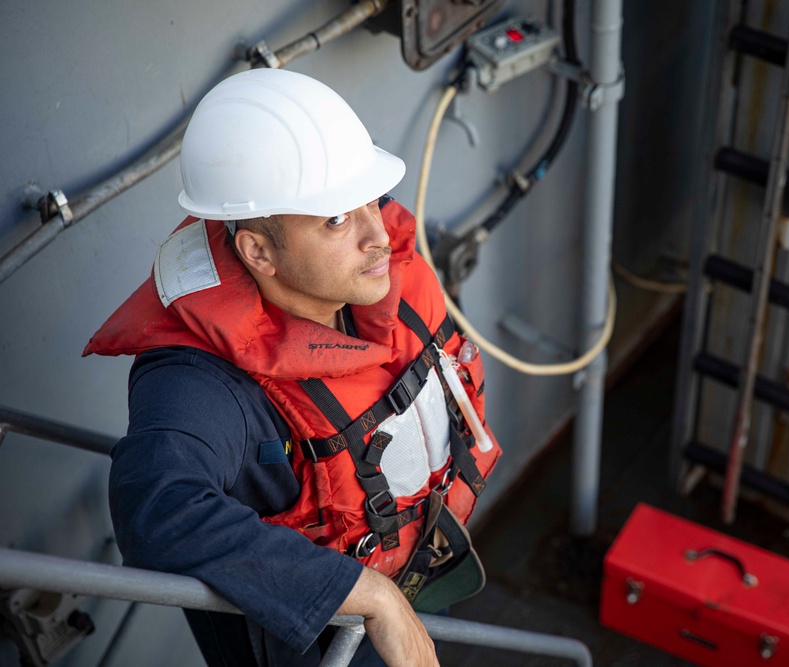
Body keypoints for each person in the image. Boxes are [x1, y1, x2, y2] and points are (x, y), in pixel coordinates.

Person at [84, 68, 501, 667]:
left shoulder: (373, 273)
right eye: (335, 219)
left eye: (371, 199)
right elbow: (155, 506)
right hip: (327, 640)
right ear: (258, 251)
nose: (377, 235)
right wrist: (374, 598)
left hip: (427, 560)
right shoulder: (200, 381)